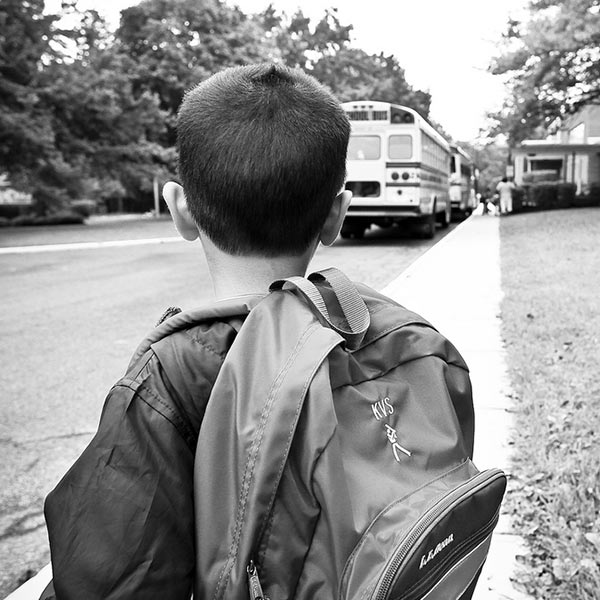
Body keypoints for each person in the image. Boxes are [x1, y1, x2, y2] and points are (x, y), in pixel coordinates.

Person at [43, 64, 474, 599]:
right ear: (337, 216)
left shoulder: (178, 371)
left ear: (180, 210)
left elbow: (117, 577)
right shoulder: (396, 334)